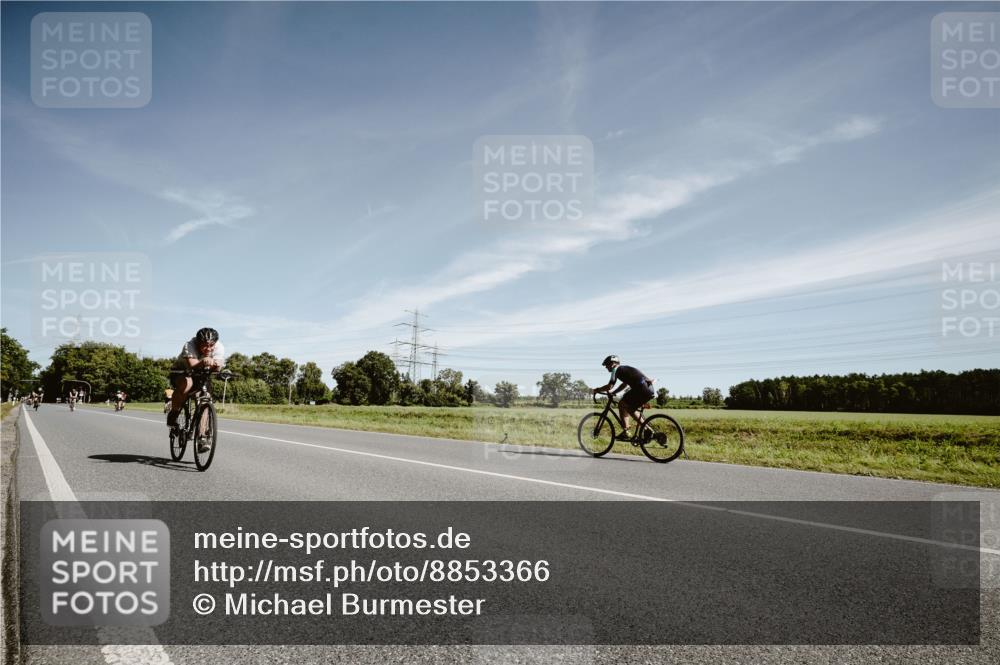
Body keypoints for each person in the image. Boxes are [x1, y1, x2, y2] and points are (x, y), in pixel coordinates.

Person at [166, 328, 225, 445]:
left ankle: (202, 436)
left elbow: (217, 367)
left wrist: (217, 365)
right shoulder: (189, 345)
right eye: (204, 345)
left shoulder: (219, 347)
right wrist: (204, 362)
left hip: (201, 374)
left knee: (205, 398)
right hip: (181, 371)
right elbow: (192, 365)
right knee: (187, 383)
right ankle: (174, 413)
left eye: (211, 345)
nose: (208, 349)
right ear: (198, 342)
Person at [591, 355, 655, 441]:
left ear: (613, 363)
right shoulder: (624, 369)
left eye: (607, 364)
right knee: (627, 406)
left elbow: (610, 386)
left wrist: (597, 390)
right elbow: (624, 384)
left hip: (641, 388)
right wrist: (614, 392)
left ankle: (634, 431)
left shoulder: (616, 369)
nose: (606, 367)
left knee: (623, 405)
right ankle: (644, 430)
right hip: (648, 389)